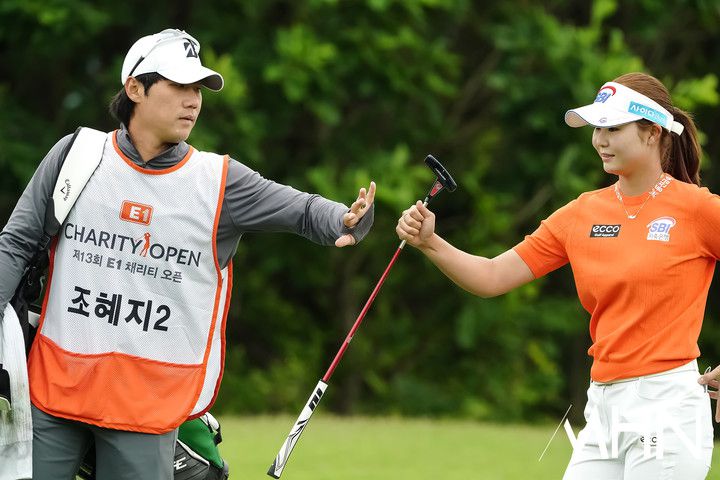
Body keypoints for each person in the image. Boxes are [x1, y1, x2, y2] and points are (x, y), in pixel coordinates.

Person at [0, 28, 376, 479]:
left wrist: (345, 219)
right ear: (134, 88)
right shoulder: (75, 156)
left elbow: (303, 210)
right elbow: (15, 244)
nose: (193, 100)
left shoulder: (219, 181)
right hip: (53, 391)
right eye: (179, 85)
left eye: (198, 89)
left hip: (147, 408)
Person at [396, 72, 716, 479]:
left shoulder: (696, 209)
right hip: (603, 409)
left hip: (668, 410)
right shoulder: (581, 213)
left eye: (613, 128)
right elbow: (492, 276)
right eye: (597, 128)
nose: (600, 140)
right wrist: (430, 242)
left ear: (652, 132)